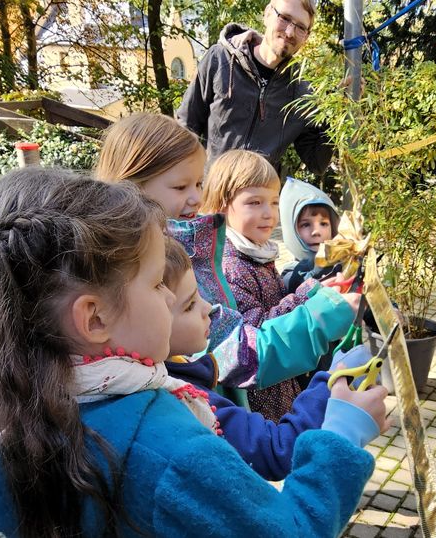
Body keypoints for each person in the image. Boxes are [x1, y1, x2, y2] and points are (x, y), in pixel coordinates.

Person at [0, 167, 389, 537]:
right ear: (95, 318)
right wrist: (342, 435)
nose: (169, 299)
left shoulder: (33, 404)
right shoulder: (166, 450)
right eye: (155, 282)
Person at [95, 113, 357, 397]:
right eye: (181, 187)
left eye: (198, 184)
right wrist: (321, 314)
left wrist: (310, 295)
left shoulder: (188, 252)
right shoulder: (166, 267)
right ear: (132, 188)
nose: (196, 198)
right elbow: (235, 349)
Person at [163, 235, 375, 480]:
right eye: (190, 305)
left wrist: (311, 294)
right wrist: (332, 386)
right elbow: (275, 451)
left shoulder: (177, 372)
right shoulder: (183, 398)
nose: (209, 309)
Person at [201, 150, 327, 420]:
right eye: (255, 202)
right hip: (259, 396)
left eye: (273, 202)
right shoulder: (231, 267)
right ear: (222, 205)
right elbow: (257, 330)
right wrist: (307, 295)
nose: (268, 214)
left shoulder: (257, 253)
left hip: (279, 383)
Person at [177, 0, 332, 174]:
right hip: (211, 198)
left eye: (301, 27)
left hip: (259, 201)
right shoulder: (220, 60)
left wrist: (335, 114)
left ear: (306, 37)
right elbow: (186, 127)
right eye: (284, 18)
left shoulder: (301, 93)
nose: (290, 32)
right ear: (268, 13)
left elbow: (317, 162)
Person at [279, 176, 342, 294]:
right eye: (306, 225)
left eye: (323, 224)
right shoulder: (291, 276)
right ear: (292, 230)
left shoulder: (341, 263)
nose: (316, 231)